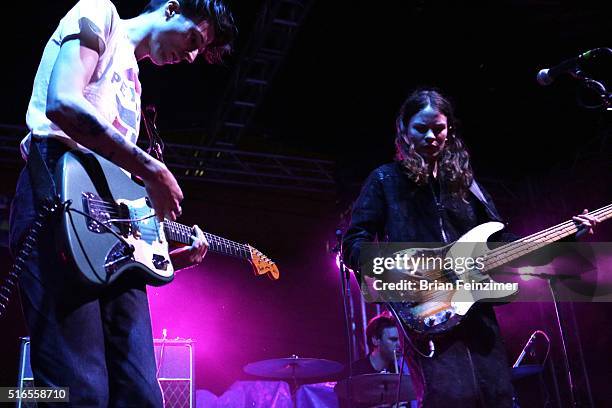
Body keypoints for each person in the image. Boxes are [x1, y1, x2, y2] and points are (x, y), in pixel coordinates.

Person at [9, 0, 236, 406]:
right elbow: (62, 102)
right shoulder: (100, 15)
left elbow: (115, 197)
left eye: (198, 52)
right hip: (53, 201)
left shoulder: (135, 86)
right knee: (80, 391)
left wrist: (160, 256)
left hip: (102, 239)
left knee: (141, 394)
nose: (190, 56)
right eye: (194, 39)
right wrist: (151, 169)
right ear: (171, 8)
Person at [341, 88, 599, 407]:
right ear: (404, 130)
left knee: (498, 398)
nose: (431, 136)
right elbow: (354, 243)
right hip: (426, 316)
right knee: (450, 398)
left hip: (478, 315)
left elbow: (500, 241)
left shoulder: (465, 186)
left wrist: (566, 236)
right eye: (421, 128)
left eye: (439, 128)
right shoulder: (385, 180)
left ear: (449, 130)